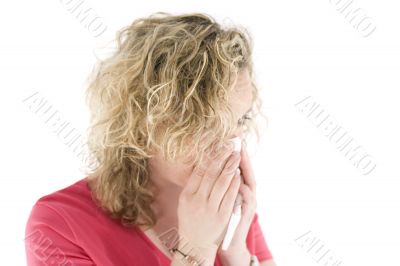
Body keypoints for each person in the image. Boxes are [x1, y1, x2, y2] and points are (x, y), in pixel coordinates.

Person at [24, 12, 276, 266]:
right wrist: (195, 250)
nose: (230, 144)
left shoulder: (227, 207)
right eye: (206, 124)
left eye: (240, 120)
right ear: (141, 123)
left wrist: (237, 253)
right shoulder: (59, 224)